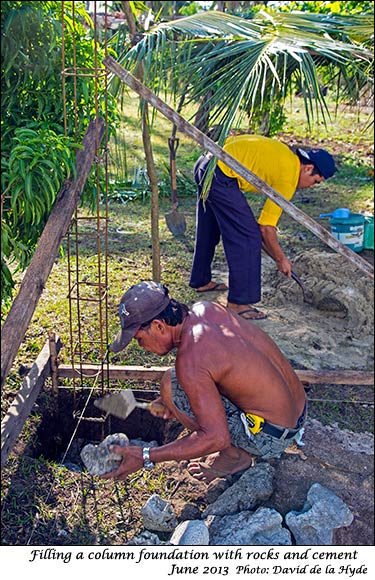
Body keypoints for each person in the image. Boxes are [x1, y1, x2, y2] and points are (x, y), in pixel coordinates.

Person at [103, 280, 307, 483]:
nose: (141, 346)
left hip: (270, 437)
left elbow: (216, 437)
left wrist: (145, 456)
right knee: (174, 387)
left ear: (158, 326)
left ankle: (233, 457)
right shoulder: (206, 308)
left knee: (170, 384)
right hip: (298, 412)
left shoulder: (191, 360)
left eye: (139, 339)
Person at [189, 134, 336, 319]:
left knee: (209, 228)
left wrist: (276, 256)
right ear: (308, 168)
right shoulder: (289, 177)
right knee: (248, 237)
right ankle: (238, 303)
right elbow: (265, 228)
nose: (311, 186)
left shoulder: (285, 154)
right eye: (315, 181)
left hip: (204, 163)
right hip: (221, 173)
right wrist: (281, 258)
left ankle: (201, 280)